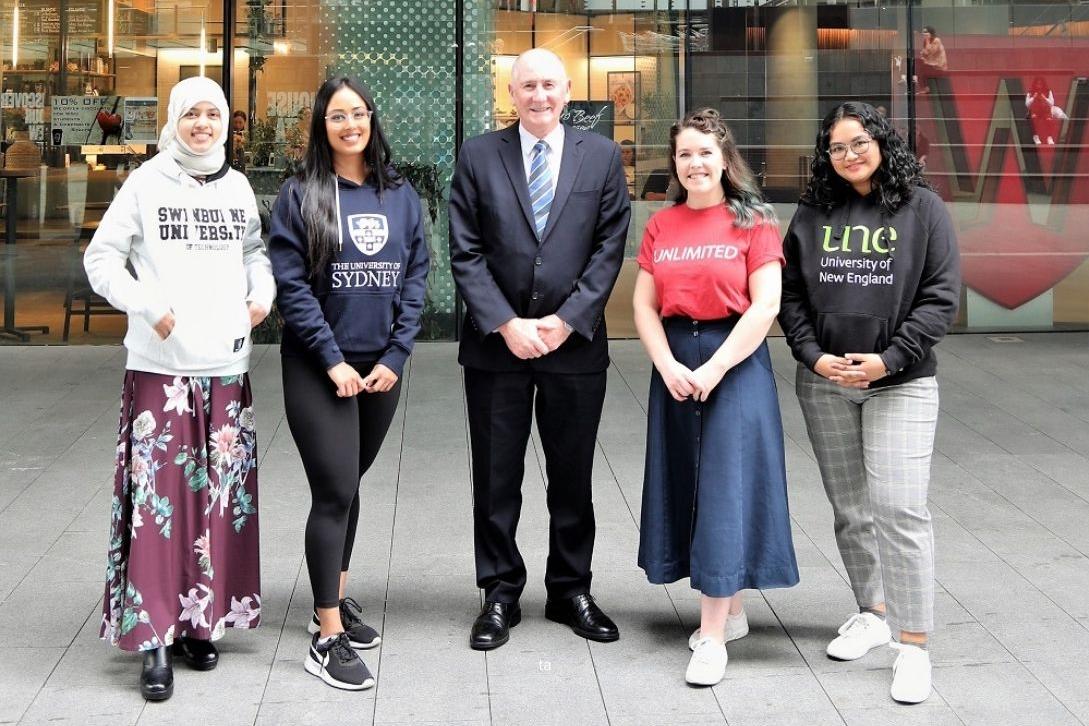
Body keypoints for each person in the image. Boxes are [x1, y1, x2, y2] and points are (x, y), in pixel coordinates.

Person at [85, 76, 274, 702]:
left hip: (224, 365)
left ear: (225, 122)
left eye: (212, 114)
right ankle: (152, 637)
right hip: (161, 370)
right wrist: (145, 304)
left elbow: (255, 251)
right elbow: (102, 259)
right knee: (157, 506)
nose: (202, 124)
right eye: (190, 114)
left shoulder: (238, 185)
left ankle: (201, 621)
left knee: (217, 500)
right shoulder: (146, 182)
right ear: (173, 119)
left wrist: (261, 293)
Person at [449, 47, 630, 651]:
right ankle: (499, 592)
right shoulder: (478, 155)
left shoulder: (601, 155)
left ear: (568, 88)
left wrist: (566, 319)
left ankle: (570, 588)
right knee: (497, 478)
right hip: (497, 349)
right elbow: (466, 250)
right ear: (512, 91)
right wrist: (505, 322)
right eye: (527, 85)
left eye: (549, 84)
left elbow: (610, 245)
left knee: (572, 476)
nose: (539, 96)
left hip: (573, 346)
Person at [779, 101, 960, 704]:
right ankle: (873, 612)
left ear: (881, 141)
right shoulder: (812, 212)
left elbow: (940, 297)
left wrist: (891, 358)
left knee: (901, 510)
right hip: (825, 381)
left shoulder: (924, 208)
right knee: (851, 508)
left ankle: (913, 646)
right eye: (835, 147)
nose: (848, 154)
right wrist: (811, 355)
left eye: (858, 142)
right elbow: (790, 293)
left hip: (901, 382)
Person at [268, 76, 429, 691]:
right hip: (318, 366)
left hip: (380, 367)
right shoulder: (300, 194)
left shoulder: (400, 194)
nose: (349, 125)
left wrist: (396, 355)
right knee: (334, 489)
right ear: (321, 125)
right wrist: (334, 360)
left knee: (351, 484)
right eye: (337, 116)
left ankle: (331, 593)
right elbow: (293, 287)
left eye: (358, 113)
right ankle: (325, 635)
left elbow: (415, 278)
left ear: (371, 120)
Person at [633, 108, 799, 687]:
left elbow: (767, 306)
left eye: (704, 152)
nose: (694, 163)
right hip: (677, 361)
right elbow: (643, 307)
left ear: (724, 159)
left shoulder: (754, 221)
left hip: (736, 360)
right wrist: (669, 364)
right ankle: (730, 613)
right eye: (684, 154)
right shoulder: (662, 225)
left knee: (725, 488)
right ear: (675, 164)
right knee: (688, 481)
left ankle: (710, 638)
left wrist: (714, 368)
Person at [1025, 76, 1068, 145]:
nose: (1039, 86)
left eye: (1040, 84)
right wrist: (1033, 97)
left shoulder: (1048, 91)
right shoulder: (1030, 92)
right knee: (1034, 119)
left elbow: (1052, 103)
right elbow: (1027, 104)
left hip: (1045, 110)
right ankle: (1036, 137)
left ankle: (1049, 137)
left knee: (1049, 120)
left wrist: (1044, 98)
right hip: (1035, 110)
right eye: (1037, 84)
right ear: (1035, 84)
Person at [916, 26, 947, 94]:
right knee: (918, 65)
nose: (923, 34)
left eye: (926, 32)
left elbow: (929, 52)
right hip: (930, 64)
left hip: (938, 67)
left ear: (931, 33)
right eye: (923, 32)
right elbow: (923, 54)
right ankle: (925, 87)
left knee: (920, 69)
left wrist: (927, 41)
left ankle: (925, 88)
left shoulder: (936, 40)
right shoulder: (927, 41)